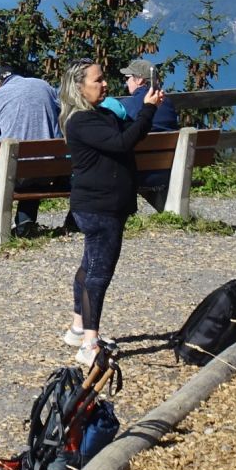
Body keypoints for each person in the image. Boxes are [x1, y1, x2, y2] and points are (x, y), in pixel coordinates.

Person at [58, 58, 163, 365]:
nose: (105, 84)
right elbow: (121, 144)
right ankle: (89, 345)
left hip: (100, 205)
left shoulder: (101, 113)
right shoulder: (81, 121)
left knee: (89, 267)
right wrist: (149, 109)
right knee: (98, 275)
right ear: (79, 88)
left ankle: (78, 328)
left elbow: (131, 133)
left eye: (103, 79)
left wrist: (145, 108)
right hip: (100, 208)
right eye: (98, 80)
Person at [0, 65, 61, 236]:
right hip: (51, 169)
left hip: (15, 173)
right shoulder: (43, 86)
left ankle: (0, 231)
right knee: (35, 168)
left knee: (11, 170)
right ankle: (25, 224)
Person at [100, 58, 180, 211]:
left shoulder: (127, 107)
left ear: (140, 80)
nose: (126, 82)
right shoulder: (168, 104)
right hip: (167, 171)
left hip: (137, 174)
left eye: (128, 78)